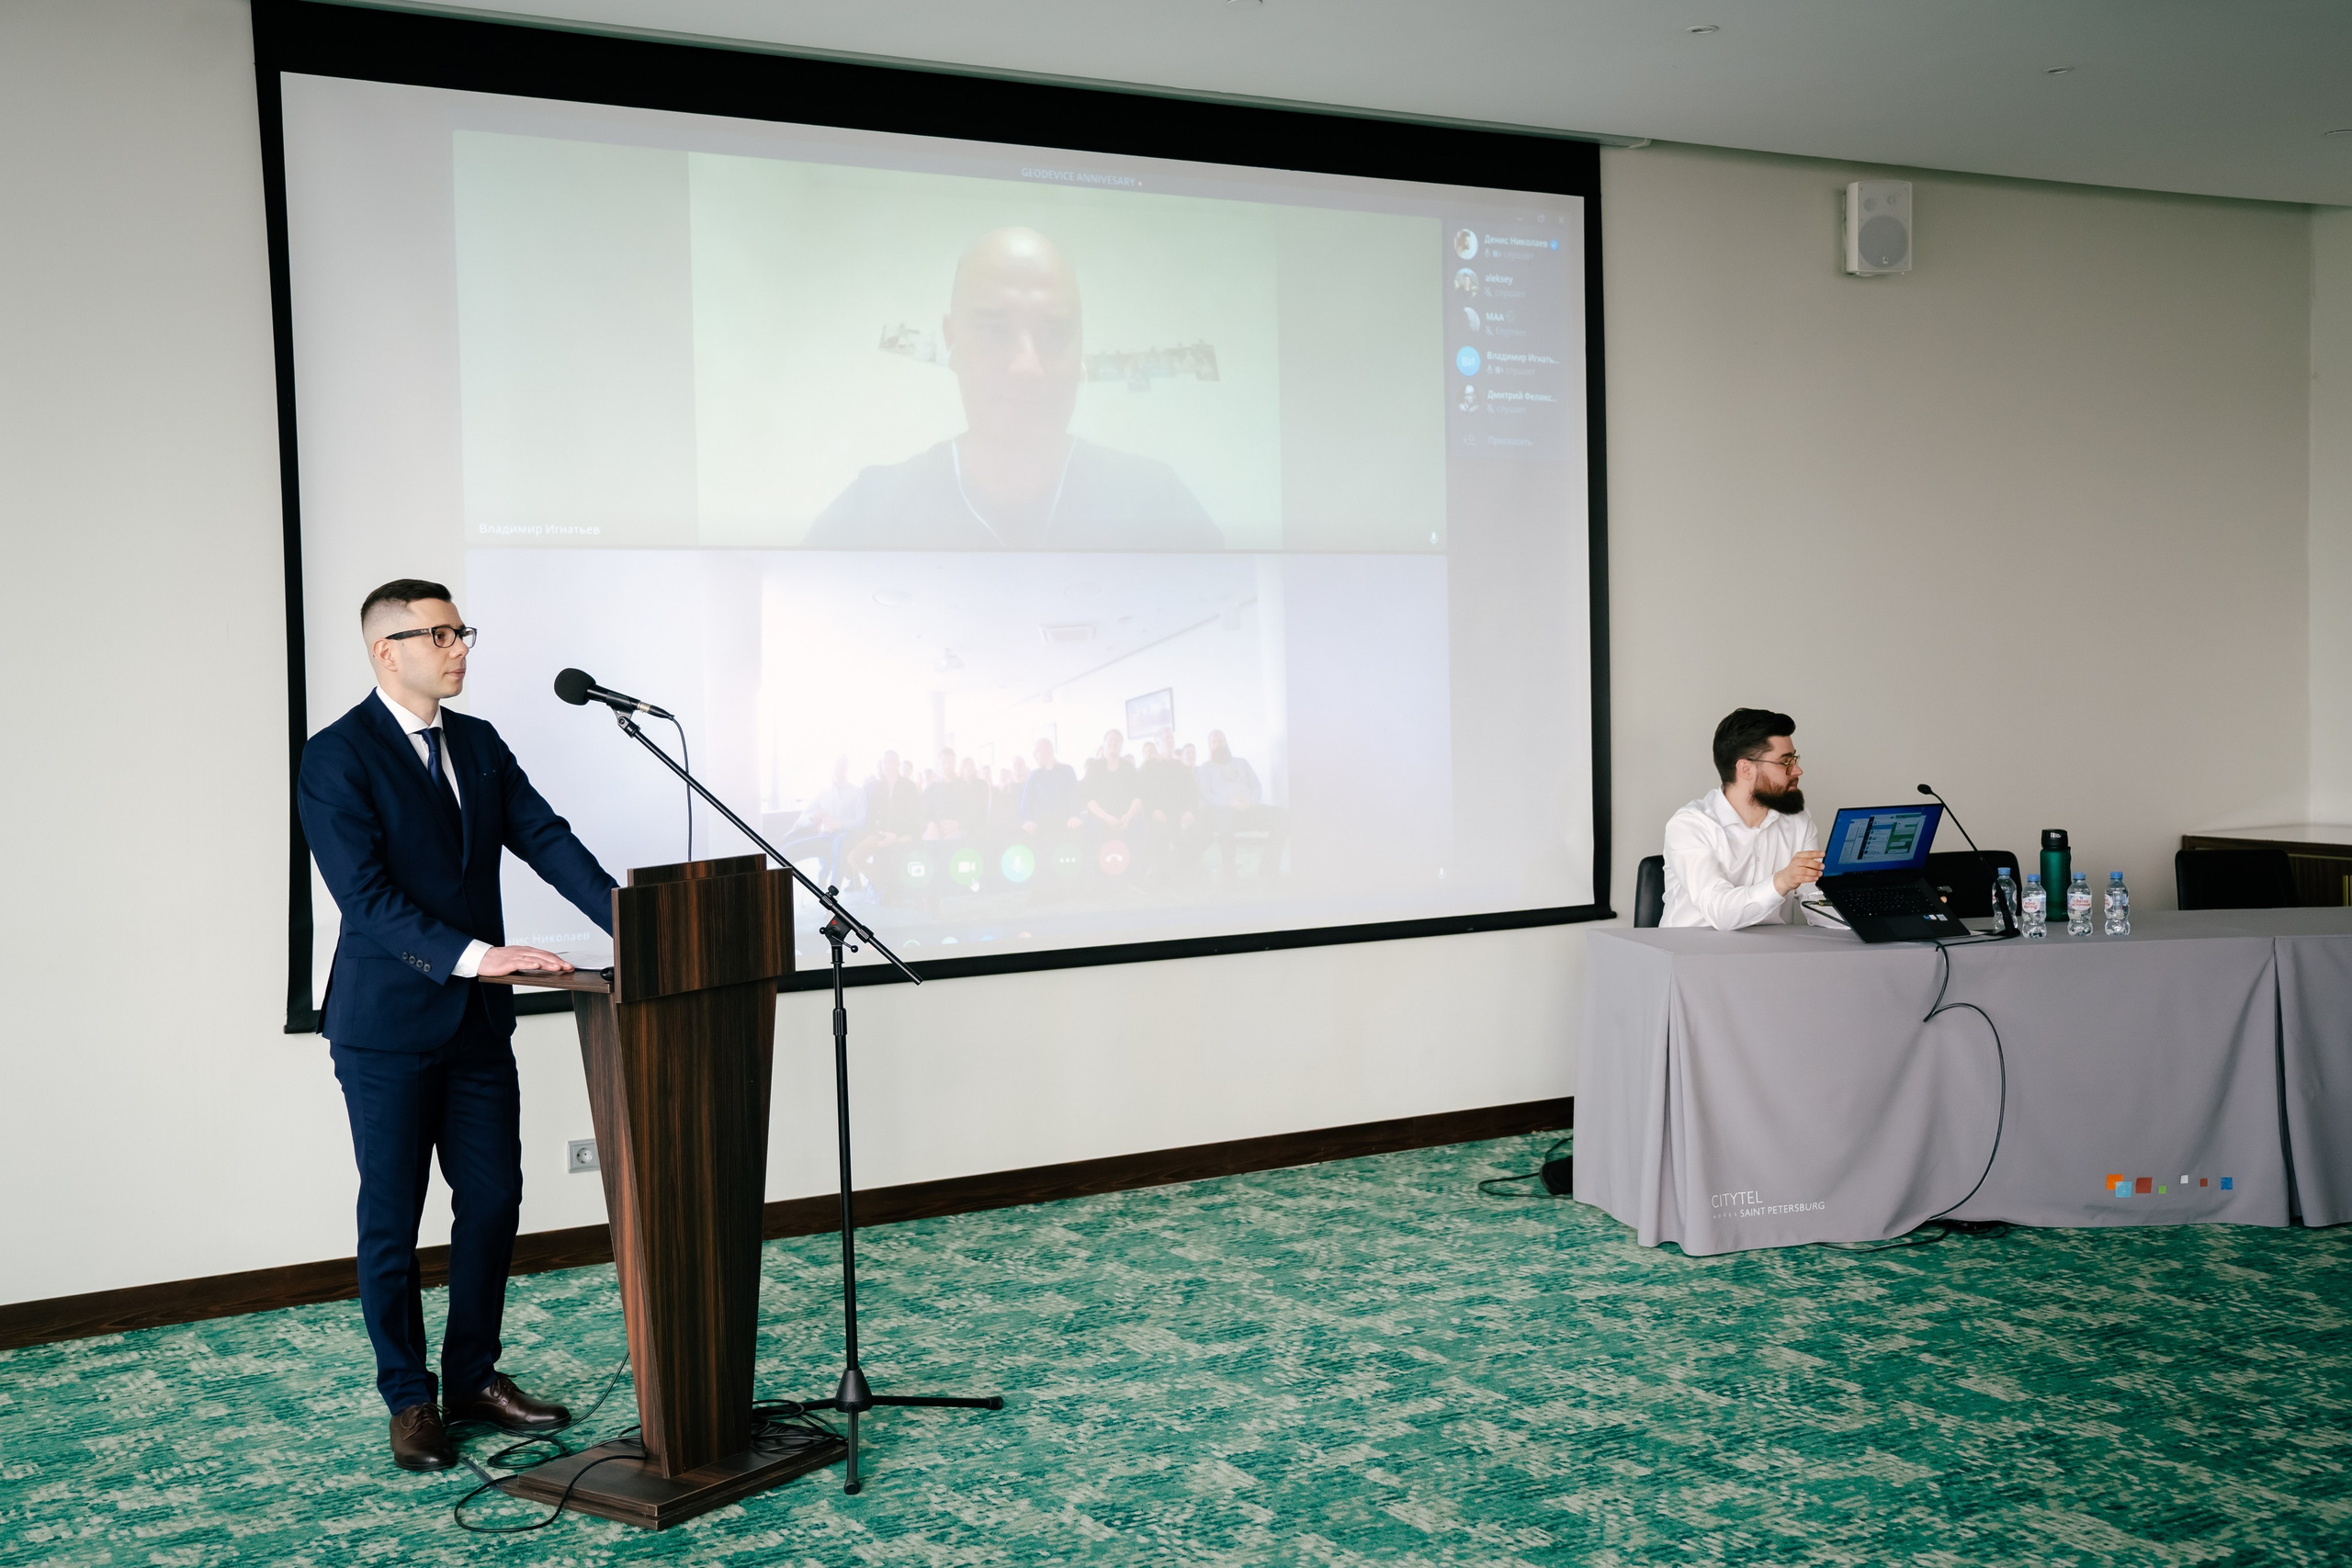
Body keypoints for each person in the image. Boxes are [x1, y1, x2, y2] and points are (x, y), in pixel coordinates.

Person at [296, 580, 616, 1473]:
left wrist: (632, 920)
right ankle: (409, 1398)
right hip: (385, 1027)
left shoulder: (476, 744)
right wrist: (485, 955)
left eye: (460, 631)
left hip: (476, 1027)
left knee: (493, 1204)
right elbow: (367, 902)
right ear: (384, 651)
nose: (458, 648)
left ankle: (473, 1375)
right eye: (436, 635)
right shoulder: (336, 758)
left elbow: (546, 838)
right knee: (391, 1221)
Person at [803, 227, 1222, 551]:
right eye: (995, 330)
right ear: (952, 339)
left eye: (1055, 332)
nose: (1028, 367)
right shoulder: (870, 512)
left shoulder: (1157, 505)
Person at [1660, 707, 1825, 930]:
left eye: (1794, 759)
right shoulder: (1690, 825)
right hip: (1689, 956)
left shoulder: (1798, 822)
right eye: (1786, 762)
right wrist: (1782, 881)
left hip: (1771, 956)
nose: (1797, 771)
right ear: (1745, 769)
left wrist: (1862, 904)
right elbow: (1719, 912)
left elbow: (1815, 902)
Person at [1082, 728, 1145, 838]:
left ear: (1121, 746)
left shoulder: (1129, 768)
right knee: (1094, 831)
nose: (1114, 743)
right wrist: (1106, 817)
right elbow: (1088, 799)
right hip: (1099, 818)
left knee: (1139, 827)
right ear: (1104, 744)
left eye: (1117, 741)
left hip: (1125, 818)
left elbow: (1138, 797)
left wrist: (1128, 816)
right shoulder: (1094, 767)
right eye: (1110, 740)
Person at [1020, 738, 1081, 834]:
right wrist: (1027, 820)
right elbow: (1026, 800)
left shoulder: (1067, 770)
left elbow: (1075, 796)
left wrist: (1074, 815)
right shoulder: (1034, 775)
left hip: (1065, 825)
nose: (1034, 756)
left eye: (1037, 751)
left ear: (1048, 749)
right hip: (1040, 827)